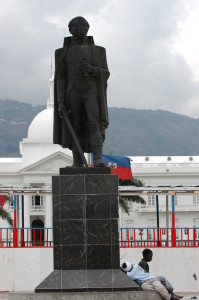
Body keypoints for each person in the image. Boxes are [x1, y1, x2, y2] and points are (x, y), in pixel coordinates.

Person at [53, 16, 110, 167]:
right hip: (72, 91)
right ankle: (77, 161)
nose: (80, 28)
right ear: (70, 30)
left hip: (91, 90)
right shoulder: (62, 53)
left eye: (84, 26)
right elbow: (61, 78)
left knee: (94, 123)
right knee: (75, 125)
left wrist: (93, 70)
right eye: (76, 26)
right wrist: (60, 101)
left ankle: (98, 159)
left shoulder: (98, 51)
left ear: (88, 29)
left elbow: (106, 73)